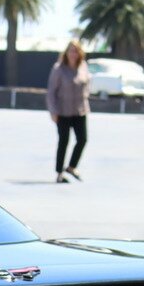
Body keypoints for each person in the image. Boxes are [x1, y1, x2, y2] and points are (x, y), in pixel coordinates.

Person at [46, 40, 91, 183]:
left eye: (76, 51)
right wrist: (53, 111)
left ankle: (72, 167)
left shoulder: (83, 66)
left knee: (82, 139)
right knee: (63, 141)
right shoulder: (59, 69)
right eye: (71, 51)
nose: (73, 54)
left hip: (80, 110)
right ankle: (59, 173)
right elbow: (51, 92)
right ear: (66, 53)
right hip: (62, 111)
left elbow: (87, 84)